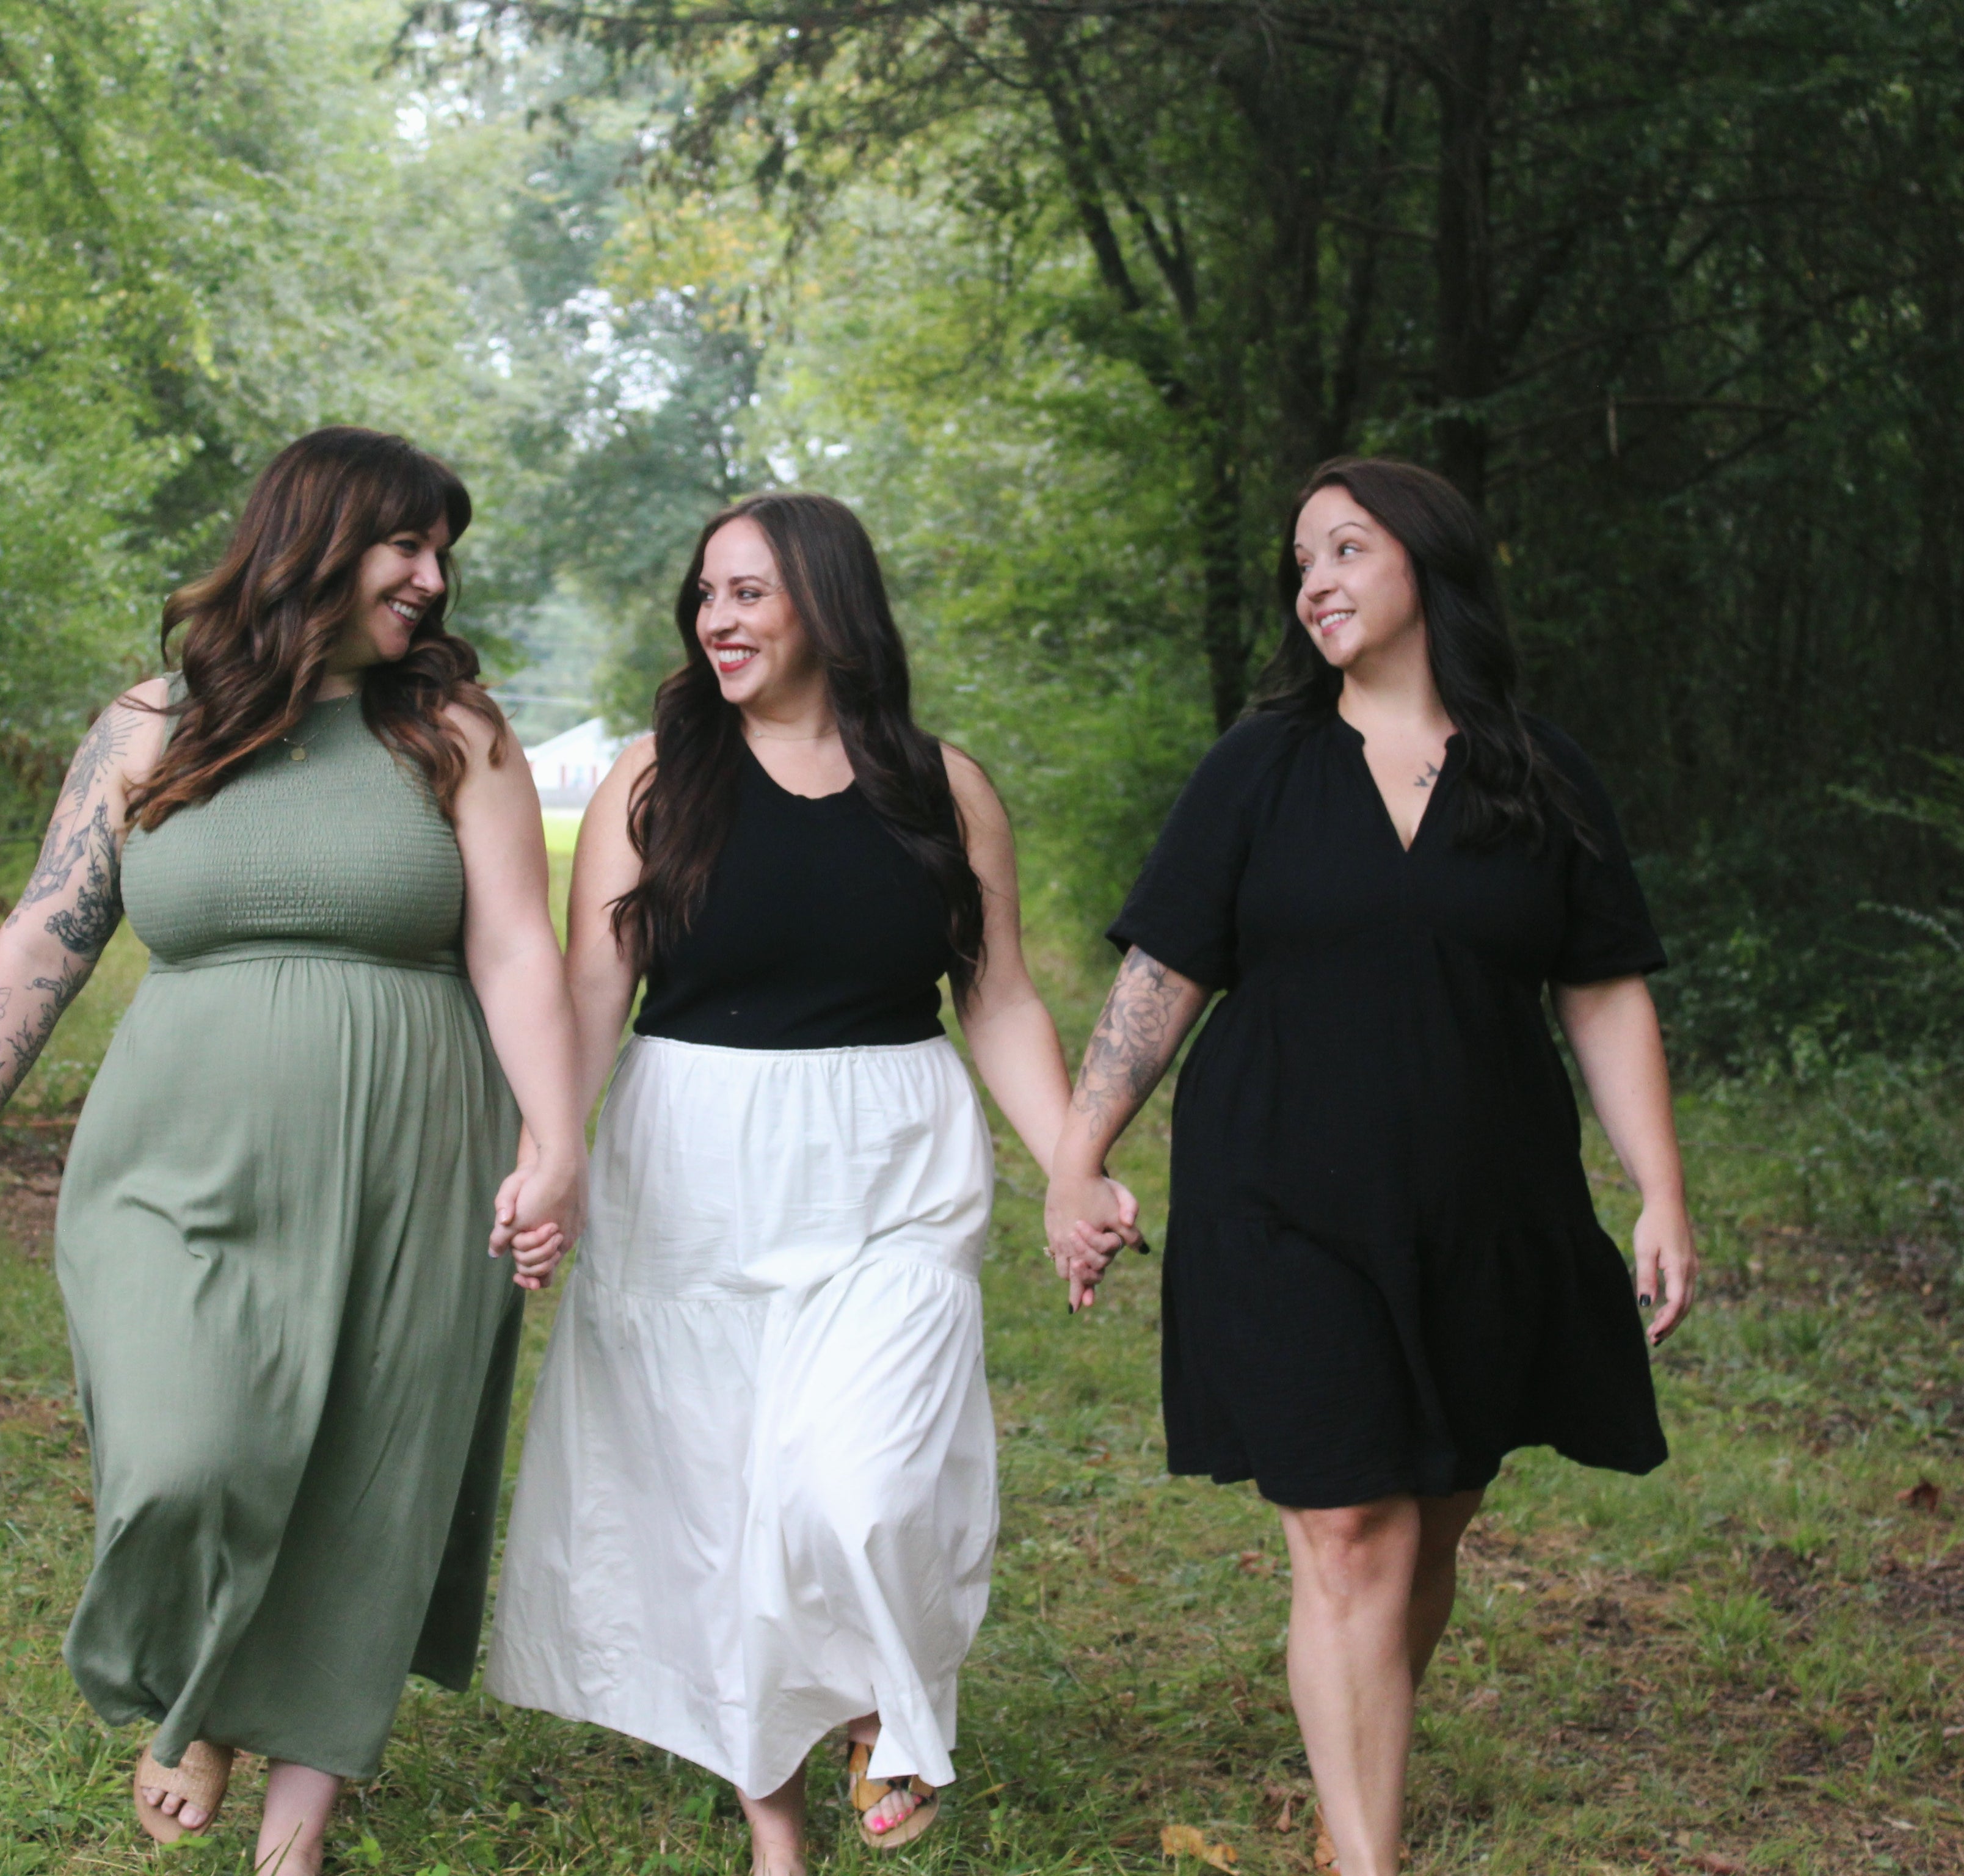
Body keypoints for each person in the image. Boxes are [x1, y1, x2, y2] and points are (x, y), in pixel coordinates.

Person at [0, 427, 584, 1876]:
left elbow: (520, 947)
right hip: (171, 1153)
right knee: (185, 1453)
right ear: (318, 539)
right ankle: (193, 1683)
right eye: (408, 545)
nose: (433, 578)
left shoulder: (455, 730)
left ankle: (297, 1827)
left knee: (369, 1466)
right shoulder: (152, 722)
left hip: (414, 1146)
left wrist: (555, 1140)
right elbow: (48, 929)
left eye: (442, 551)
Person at [1045, 457, 1700, 1876]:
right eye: (1302, 561)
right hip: (1280, 1195)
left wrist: (1660, 1186)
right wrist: (1076, 1155)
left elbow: (1601, 989)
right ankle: (1368, 1859)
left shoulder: (1539, 767)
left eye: (1346, 548)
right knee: (1348, 1525)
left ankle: (1358, 1791)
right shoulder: (1261, 766)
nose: (1316, 581)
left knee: (1434, 1513)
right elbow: (1167, 972)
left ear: (1429, 560)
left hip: (1486, 1202)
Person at [483, 492, 1091, 1875]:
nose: (718, 618)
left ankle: (889, 1696)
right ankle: (775, 1822)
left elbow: (995, 1000)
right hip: (690, 1167)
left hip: (891, 1161)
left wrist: (1070, 1162)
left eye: (749, 591)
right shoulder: (659, 779)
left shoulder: (945, 787)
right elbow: (595, 983)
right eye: (706, 595)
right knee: (715, 1500)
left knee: (857, 1486)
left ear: (829, 601)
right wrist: (552, 1150)